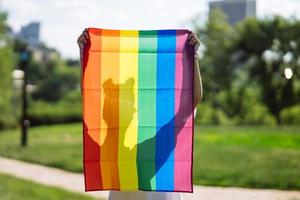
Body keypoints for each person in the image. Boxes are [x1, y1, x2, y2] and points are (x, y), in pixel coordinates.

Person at [78, 28, 203, 200]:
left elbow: (193, 99)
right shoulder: (113, 146)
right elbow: (90, 95)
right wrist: (85, 53)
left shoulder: (161, 139)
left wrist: (193, 55)